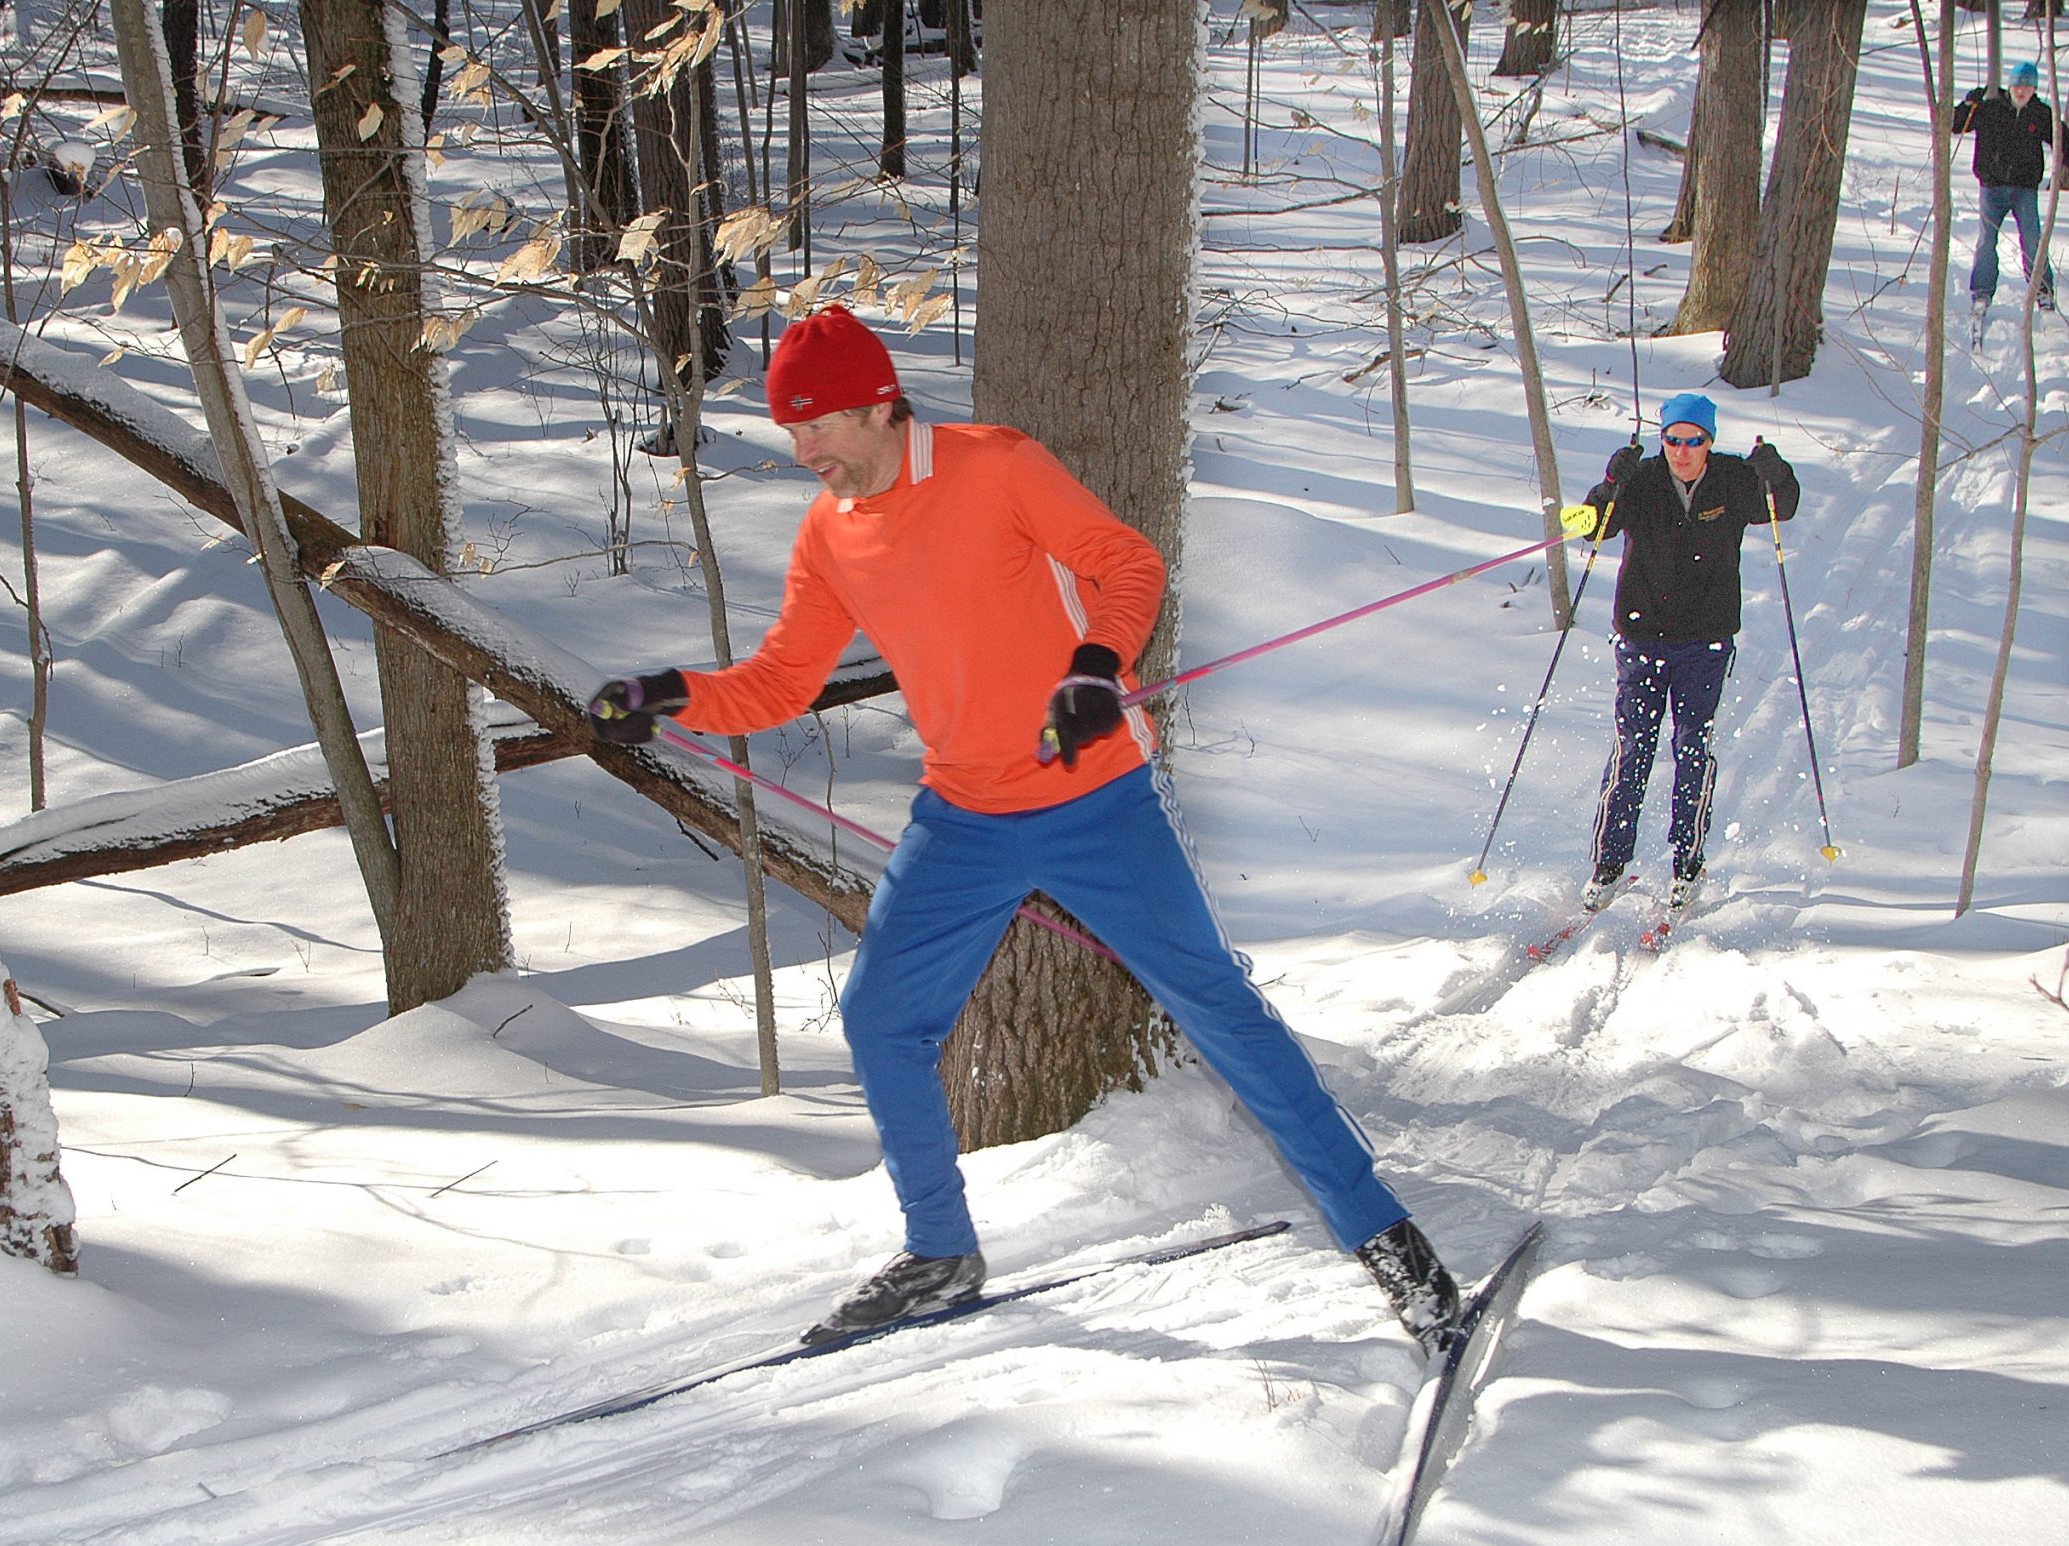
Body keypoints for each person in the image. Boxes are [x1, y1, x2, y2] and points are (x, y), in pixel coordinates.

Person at [587, 305, 1460, 1355]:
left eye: (819, 424)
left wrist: (1097, 668)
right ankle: (939, 1252)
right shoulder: (831, 533)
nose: (805, 448)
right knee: (880, 1019)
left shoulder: (994, 466)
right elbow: (782, 679)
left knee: (1219, 1010)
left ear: (877, 404)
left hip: (1097, 799)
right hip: (962, 815)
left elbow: (1126, 563)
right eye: (791, 430)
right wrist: (669, 692)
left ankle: (1386, 1240)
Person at [1576, 392, 1801, 914]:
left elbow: (1781, 507)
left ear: (1709, 441)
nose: (1681, 451)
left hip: (1705, 639)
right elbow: (1593, 525)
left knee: (1691, 748)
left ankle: (1687, 864)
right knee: (1633, 749)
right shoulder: (1643, 480)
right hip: (1641, 635)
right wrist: (1610, 483)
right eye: (1673, 440)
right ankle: (1609, 865)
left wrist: (1778, 474)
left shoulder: (1732, 480)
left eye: (1693, 441)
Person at [1951, 61, 2069, 317]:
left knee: (2033, 241)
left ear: (2034, 88)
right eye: (2016, 85)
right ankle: (1981, 293)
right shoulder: (1990, 107)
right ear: (2009, 85)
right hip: (1992, 188)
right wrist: (1969, 103)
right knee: (1986, 241)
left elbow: (2062, 138)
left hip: (2024, 189)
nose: (2021, 90)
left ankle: (2042, 291)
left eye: (2027, 86)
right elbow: (1956, 125)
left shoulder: (2039, 113)